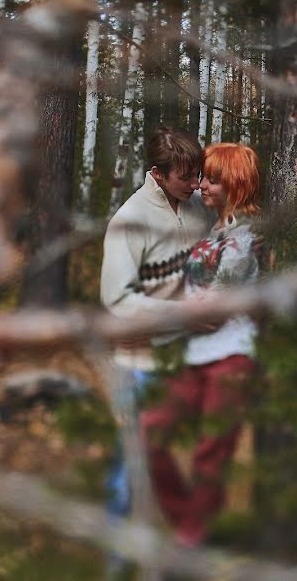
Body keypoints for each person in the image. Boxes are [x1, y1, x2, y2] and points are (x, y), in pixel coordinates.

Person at [139, 142, 263, 547]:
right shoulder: (215, 228)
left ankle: (189, 542)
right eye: (201, 178)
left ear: (234, 182)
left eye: (211, 179)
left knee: (212, 452)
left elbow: (218, 298)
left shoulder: (244, 234)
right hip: (196, 354)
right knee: (149, 434)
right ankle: (185, 528)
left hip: (232, 355)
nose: (201, 185)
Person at [100, 126, 215, 525]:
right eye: (186, 176)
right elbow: (116, 300)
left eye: (198, 173)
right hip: (139, 363)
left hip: (185, 356)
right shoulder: (130, 220)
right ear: (158, 173)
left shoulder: (199, 206)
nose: (195, 183)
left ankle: (178, 546)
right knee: (129, 469)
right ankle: (115, 558)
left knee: (171, 463)